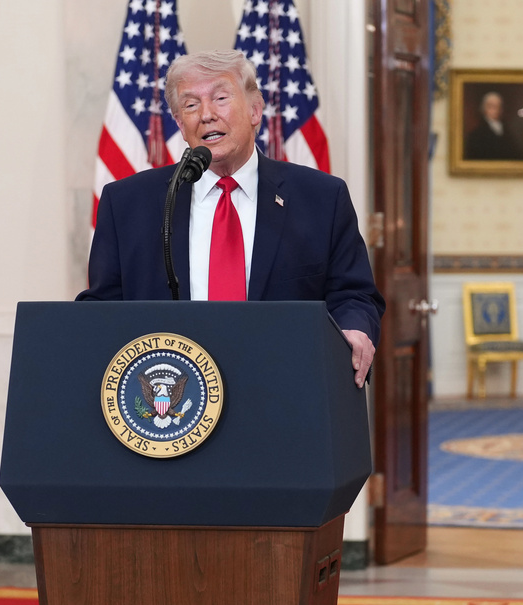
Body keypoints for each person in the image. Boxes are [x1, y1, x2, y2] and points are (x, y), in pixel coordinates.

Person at [78, 50, 385, 388]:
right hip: (171, 407)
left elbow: (353, 295)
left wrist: (354, 329)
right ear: (180, 124)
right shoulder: (127, 204)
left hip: (287, 392)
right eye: (191, 105)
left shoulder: (321, 198)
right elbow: (102, 311)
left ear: (255, 110)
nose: (206, 115)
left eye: (221, 98)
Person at [463, 91, 523, 161]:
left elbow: (515, 152)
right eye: (492, 106)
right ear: (484, 109)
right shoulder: (476, 134)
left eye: (499, 106)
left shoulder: (507, 130)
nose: (496, 109)